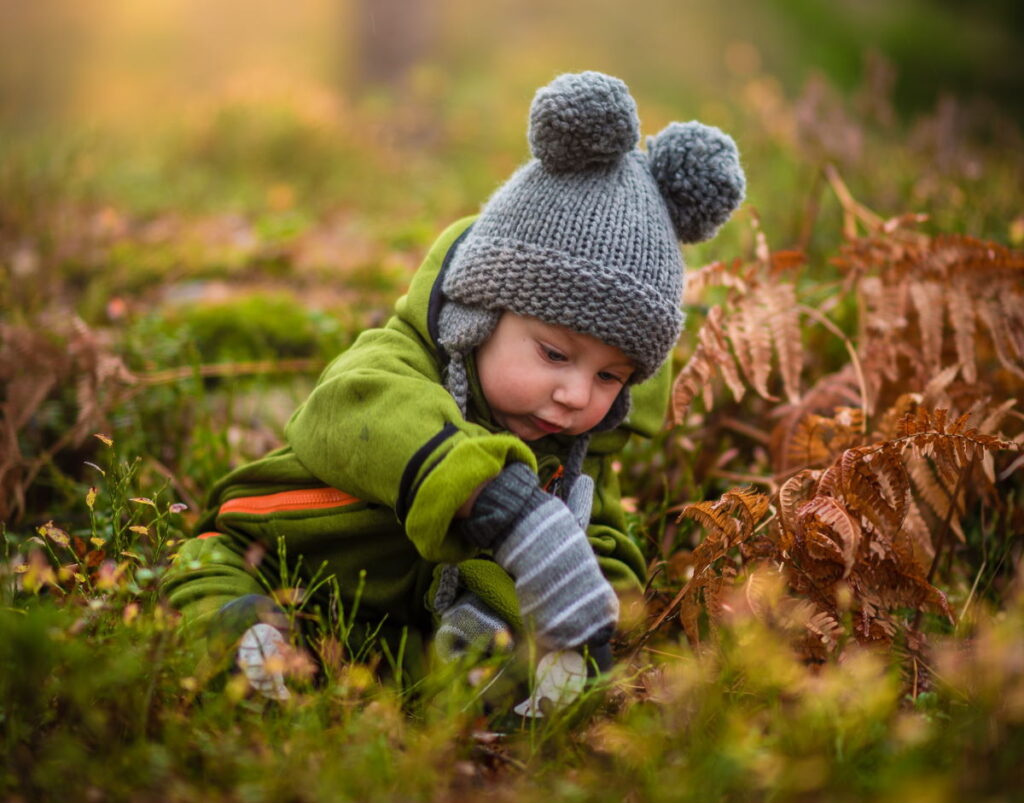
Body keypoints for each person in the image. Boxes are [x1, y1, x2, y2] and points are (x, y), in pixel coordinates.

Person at [162, 70, 745, 701]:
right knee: (212, 580)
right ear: (479, 315)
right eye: (554, 354)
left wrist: (589, 611)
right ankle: (247, 644)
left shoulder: (574, 451)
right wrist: (501, 503)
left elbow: (600, 535)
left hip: (396, 626)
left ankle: (467, 682)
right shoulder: (395, 365)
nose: (577, 395)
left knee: (489, 655)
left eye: (610, 376)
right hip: (277, 554)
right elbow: (354, 410)